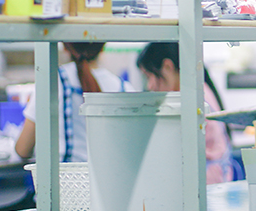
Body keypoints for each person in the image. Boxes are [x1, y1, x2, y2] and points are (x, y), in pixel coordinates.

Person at [15, 42, 134, 162]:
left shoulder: (53, 82)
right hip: (112, 180)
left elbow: (23, 149)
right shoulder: (125, 88)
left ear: (66, 47)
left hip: (66, 179)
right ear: (103, 46)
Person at [136, 42, 234, 184]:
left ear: (167, 67)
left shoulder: (192, 99)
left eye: (149, 76)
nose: (149, 86)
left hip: (205, 183)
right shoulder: (198, 90)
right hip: (211, 180)